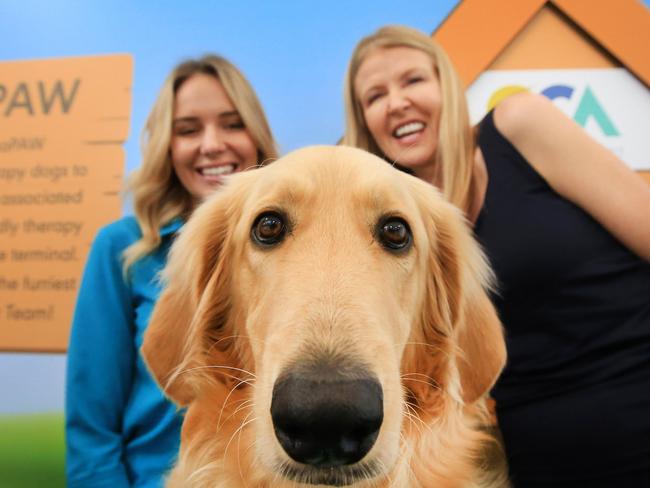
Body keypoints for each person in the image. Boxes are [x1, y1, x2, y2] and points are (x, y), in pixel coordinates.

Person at [343, 25, 650, 487]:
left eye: (412, 81)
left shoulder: (519, 124)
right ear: (365, 122)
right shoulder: (393, 236)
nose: (397, 102)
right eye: (375, 96)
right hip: (541, 456)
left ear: (446, 84)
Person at [65, 54, 278, 488]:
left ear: (257, 137)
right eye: (188, 130)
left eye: (232, 124)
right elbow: (92, 430)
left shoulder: (299, 249)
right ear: (167, 145)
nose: (212, 144)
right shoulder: (121, 249)